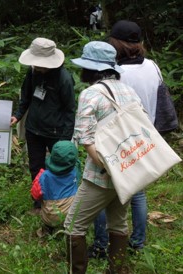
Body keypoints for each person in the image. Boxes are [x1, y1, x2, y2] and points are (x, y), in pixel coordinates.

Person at [64, 41, 142, 274]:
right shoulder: (128, 90)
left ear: (92, 69)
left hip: (101, 175)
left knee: (73, 226)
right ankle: (116, 270)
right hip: (130, 169)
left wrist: (108, 167)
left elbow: (86, 139)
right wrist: (122, 168)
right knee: (118, 223)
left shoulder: (90, 94)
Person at [89, 20, 161, 259]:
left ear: (115, 43)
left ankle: (101, 244)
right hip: (145, 136)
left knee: (102, 191)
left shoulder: (118, 72)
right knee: (137, 192)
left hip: (117, 138)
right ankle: (137, 242)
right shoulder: (153, 66)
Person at [10, 37, 76, 211]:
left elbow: (70, 110)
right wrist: (17, 116)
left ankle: (59, 203)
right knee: (35, 166)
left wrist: (65, 141)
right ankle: (38, 202)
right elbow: (26, 96)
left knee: (58, 169)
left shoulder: (64, 79)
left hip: (56, 132)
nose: (37, 66)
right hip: (34, 129)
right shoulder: (33, 72)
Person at [31, 140, 80, 237]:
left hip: (50, 216)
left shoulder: (44, 176)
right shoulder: (75, 171)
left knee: (47, 207)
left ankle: (47, 230)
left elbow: (35, 195)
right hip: (72, 216)